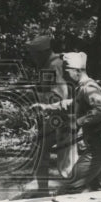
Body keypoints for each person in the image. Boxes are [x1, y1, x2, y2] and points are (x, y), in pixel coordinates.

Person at [32, 52, 101, 194]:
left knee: (70, 185)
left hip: (99, 147)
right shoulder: (82, 88)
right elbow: (73, 104)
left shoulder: (89, 88)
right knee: (98, 190)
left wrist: (77, 122)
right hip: (100, 146)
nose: (64, 76)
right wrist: (48, 107)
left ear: (77, 71)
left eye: (66, 72)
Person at [25, 34, 78, 193]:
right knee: (44, 152)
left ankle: (68, 195)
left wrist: (38, 99)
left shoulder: (53, 66)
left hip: (61, 117)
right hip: (56, 116)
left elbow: (59, 96)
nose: (32, 58)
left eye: (33, 55)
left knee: (63, 159)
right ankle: (44, 191)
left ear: (41, 53)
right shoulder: (50, 65)